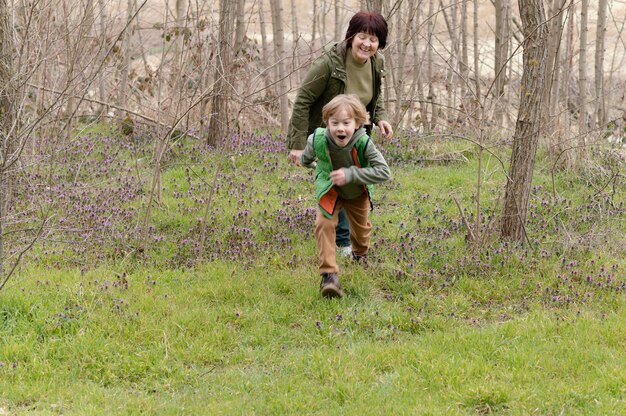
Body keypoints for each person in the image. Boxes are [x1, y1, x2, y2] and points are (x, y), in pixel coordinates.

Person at [287, 11, 393, 258]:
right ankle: (342, 242)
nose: (367, 44)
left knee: (352, 181)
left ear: (380, 44)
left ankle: (349, 240)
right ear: (351, 36)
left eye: (374, 39)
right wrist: (298, 144)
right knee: (336, 179)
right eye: (363, 36)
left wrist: (381, 118)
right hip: (329, 131)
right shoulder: (329, 63)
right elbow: (302, 100)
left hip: (357, 132)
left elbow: (375, 98)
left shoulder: (377, 62)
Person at [295, 94, 391, 298]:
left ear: (357, 124)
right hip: (330, 191)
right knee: (324, 224)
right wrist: (308, 163)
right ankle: (329, 276)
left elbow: (384, 172)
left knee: (361, 232)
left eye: (346, 123)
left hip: (356, 192)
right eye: (334, 122)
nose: (340, 128)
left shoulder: (364, 143)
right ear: (327, 122)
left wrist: (351, 174)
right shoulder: (318, 139)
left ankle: (360, 254)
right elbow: (306, 158)